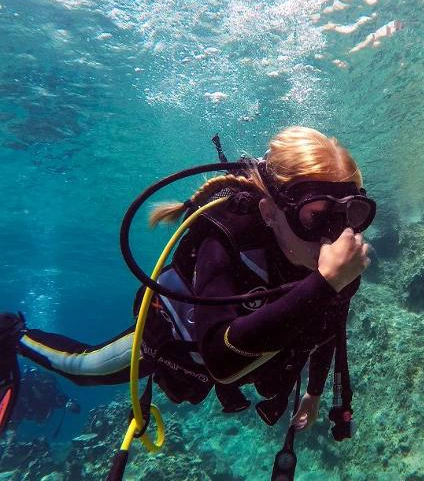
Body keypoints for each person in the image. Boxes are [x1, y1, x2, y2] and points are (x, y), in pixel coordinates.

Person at [0, 126, 374, 441]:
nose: (335, 235)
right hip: (178, 345)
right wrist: (324, 284)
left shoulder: (333, 265)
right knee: (80, 370)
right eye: (316, 216)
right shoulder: (225, 237)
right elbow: (221, 362)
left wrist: (312, 392)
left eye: (350, 215)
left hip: (255, 355)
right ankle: (15, 334)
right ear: (269, 213)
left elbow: (328, 329)